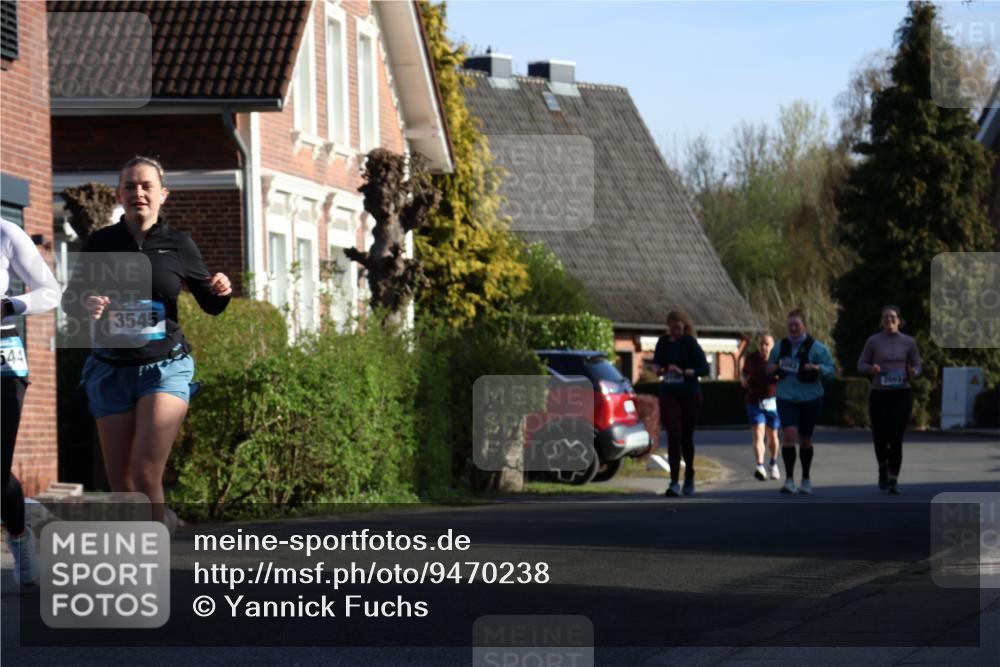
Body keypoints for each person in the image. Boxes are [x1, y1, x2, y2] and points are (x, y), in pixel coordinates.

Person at [64, 156, 231, 520]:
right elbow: (70, 300)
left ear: (163, 194)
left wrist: (220, 289)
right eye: (130, 186)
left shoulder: (178, 245)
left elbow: (211, 303)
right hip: (111, 370)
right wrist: (86, 302)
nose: (138, 192)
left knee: (144, 473)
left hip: (164, 367)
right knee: (122, 485)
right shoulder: (101, 243)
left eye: (146, 186)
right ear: (118, 195)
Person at [2, 217, 62, 585]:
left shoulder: (6, 233)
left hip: (3, 360)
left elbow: (50, 291)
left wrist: (10, 305)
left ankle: (21, 537)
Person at [767, 309, 836, 495]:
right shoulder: (779, 347)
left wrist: (817, 367)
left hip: (810, 398)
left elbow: (831, 371)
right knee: (789, 435)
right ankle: (789, 480)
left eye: (796, 324)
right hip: (786, 397)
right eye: (790, 325)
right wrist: (774, 367)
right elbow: (769, 369)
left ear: (804, 325)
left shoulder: (817, 348)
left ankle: (806, 479)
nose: (793, 328)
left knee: (805, 439)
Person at [857, 305, 920, 495]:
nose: (889, 320)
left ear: (899, 321)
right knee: (880, 436)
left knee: (896, 437)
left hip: (902, 393)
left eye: (893, 317)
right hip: (880, 393)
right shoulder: (873, 341)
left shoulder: (909, 342)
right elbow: (861, 364)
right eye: (885, 317)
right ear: (881, 321)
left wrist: (913, 372)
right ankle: (882, 467)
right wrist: (871, 369)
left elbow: (917, 365)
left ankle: (893, 479)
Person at [652, 310, 710, 496]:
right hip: (669, 393)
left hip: (689, 393)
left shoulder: (690, 343)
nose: (675, 332)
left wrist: (683, 372)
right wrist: (659, 369)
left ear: (684, 326)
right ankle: (674, 482)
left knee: (686, 438)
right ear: (668, 327)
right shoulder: (663, 342)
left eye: (679, 329)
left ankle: (690, 473)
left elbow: (704, 368)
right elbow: (656, 363)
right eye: (672, 329)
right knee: (673, 435)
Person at [741, 334, 781, 481]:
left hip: (773, 403)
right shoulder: (751, 359)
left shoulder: (778, 359)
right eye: (761, 344)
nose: (764, 347)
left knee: (773, 436)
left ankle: (773, 463)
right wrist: (744, 380)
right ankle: (760, 466)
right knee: (758, 433)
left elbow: (787, 377)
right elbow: (744, 373)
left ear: (773, 346)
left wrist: (779, 377)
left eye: (767, 344)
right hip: (754, 401)